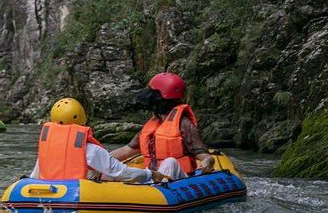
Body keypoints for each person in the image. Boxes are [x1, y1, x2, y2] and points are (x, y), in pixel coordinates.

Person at [30, 98, 169, 183]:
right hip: (81, 197)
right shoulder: (90, 150)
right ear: (82, 121)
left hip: (51, 198)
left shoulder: (46, 150)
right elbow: (124, 173)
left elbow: (34, 177)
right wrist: (151, 174)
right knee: (113, 177)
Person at [110, 73, 214, 180]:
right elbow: (127, 150)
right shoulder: (153, 125)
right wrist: (100, 160)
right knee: (107, 172)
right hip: (153, 178)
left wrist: (207, 162)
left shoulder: (185, 125)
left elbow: (206, 157)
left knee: (170, 162)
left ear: (160, 99)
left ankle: (155, 186)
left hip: (179, 179)